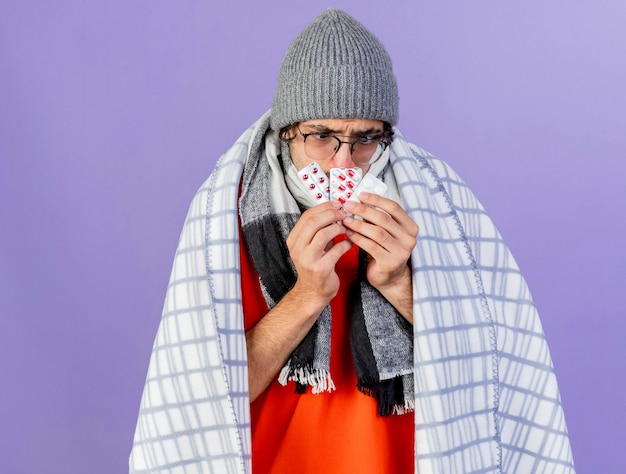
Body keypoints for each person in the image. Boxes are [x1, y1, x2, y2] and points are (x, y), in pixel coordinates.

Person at [129, 9, 574, 474]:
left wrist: (399, 283)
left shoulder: (439, 204)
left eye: (365, 139)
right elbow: (204, 399)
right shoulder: (228, 214)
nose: (343, 163)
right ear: (288, 130)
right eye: (322, 136)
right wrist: (304, 296)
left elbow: (494, 365)